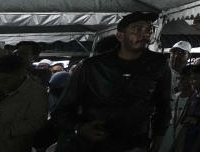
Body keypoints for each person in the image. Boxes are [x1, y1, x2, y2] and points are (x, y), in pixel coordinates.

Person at [53, 11, 172, 152]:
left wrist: (156, 144)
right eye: (137, 29)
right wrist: (80, 127)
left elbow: (163, 106)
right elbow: (61, 110)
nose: (144, 34)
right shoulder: (92, 66)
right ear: (120, 36)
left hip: (135, 145)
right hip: (94, 146)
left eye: (148, 30)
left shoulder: (158, 64)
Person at [0, 53, 49, 152]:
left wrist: (5, 130)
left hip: (13, 146)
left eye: (5, 80)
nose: (0, 84)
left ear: (21, 73)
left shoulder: (36, 92)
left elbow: (36, 122)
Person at [160, 66, 192, 152]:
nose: (180, 81)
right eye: (179, 78)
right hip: (166, 138)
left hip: (183, 142)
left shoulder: (195, 100)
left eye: (184, 79)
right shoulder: (174, 98)